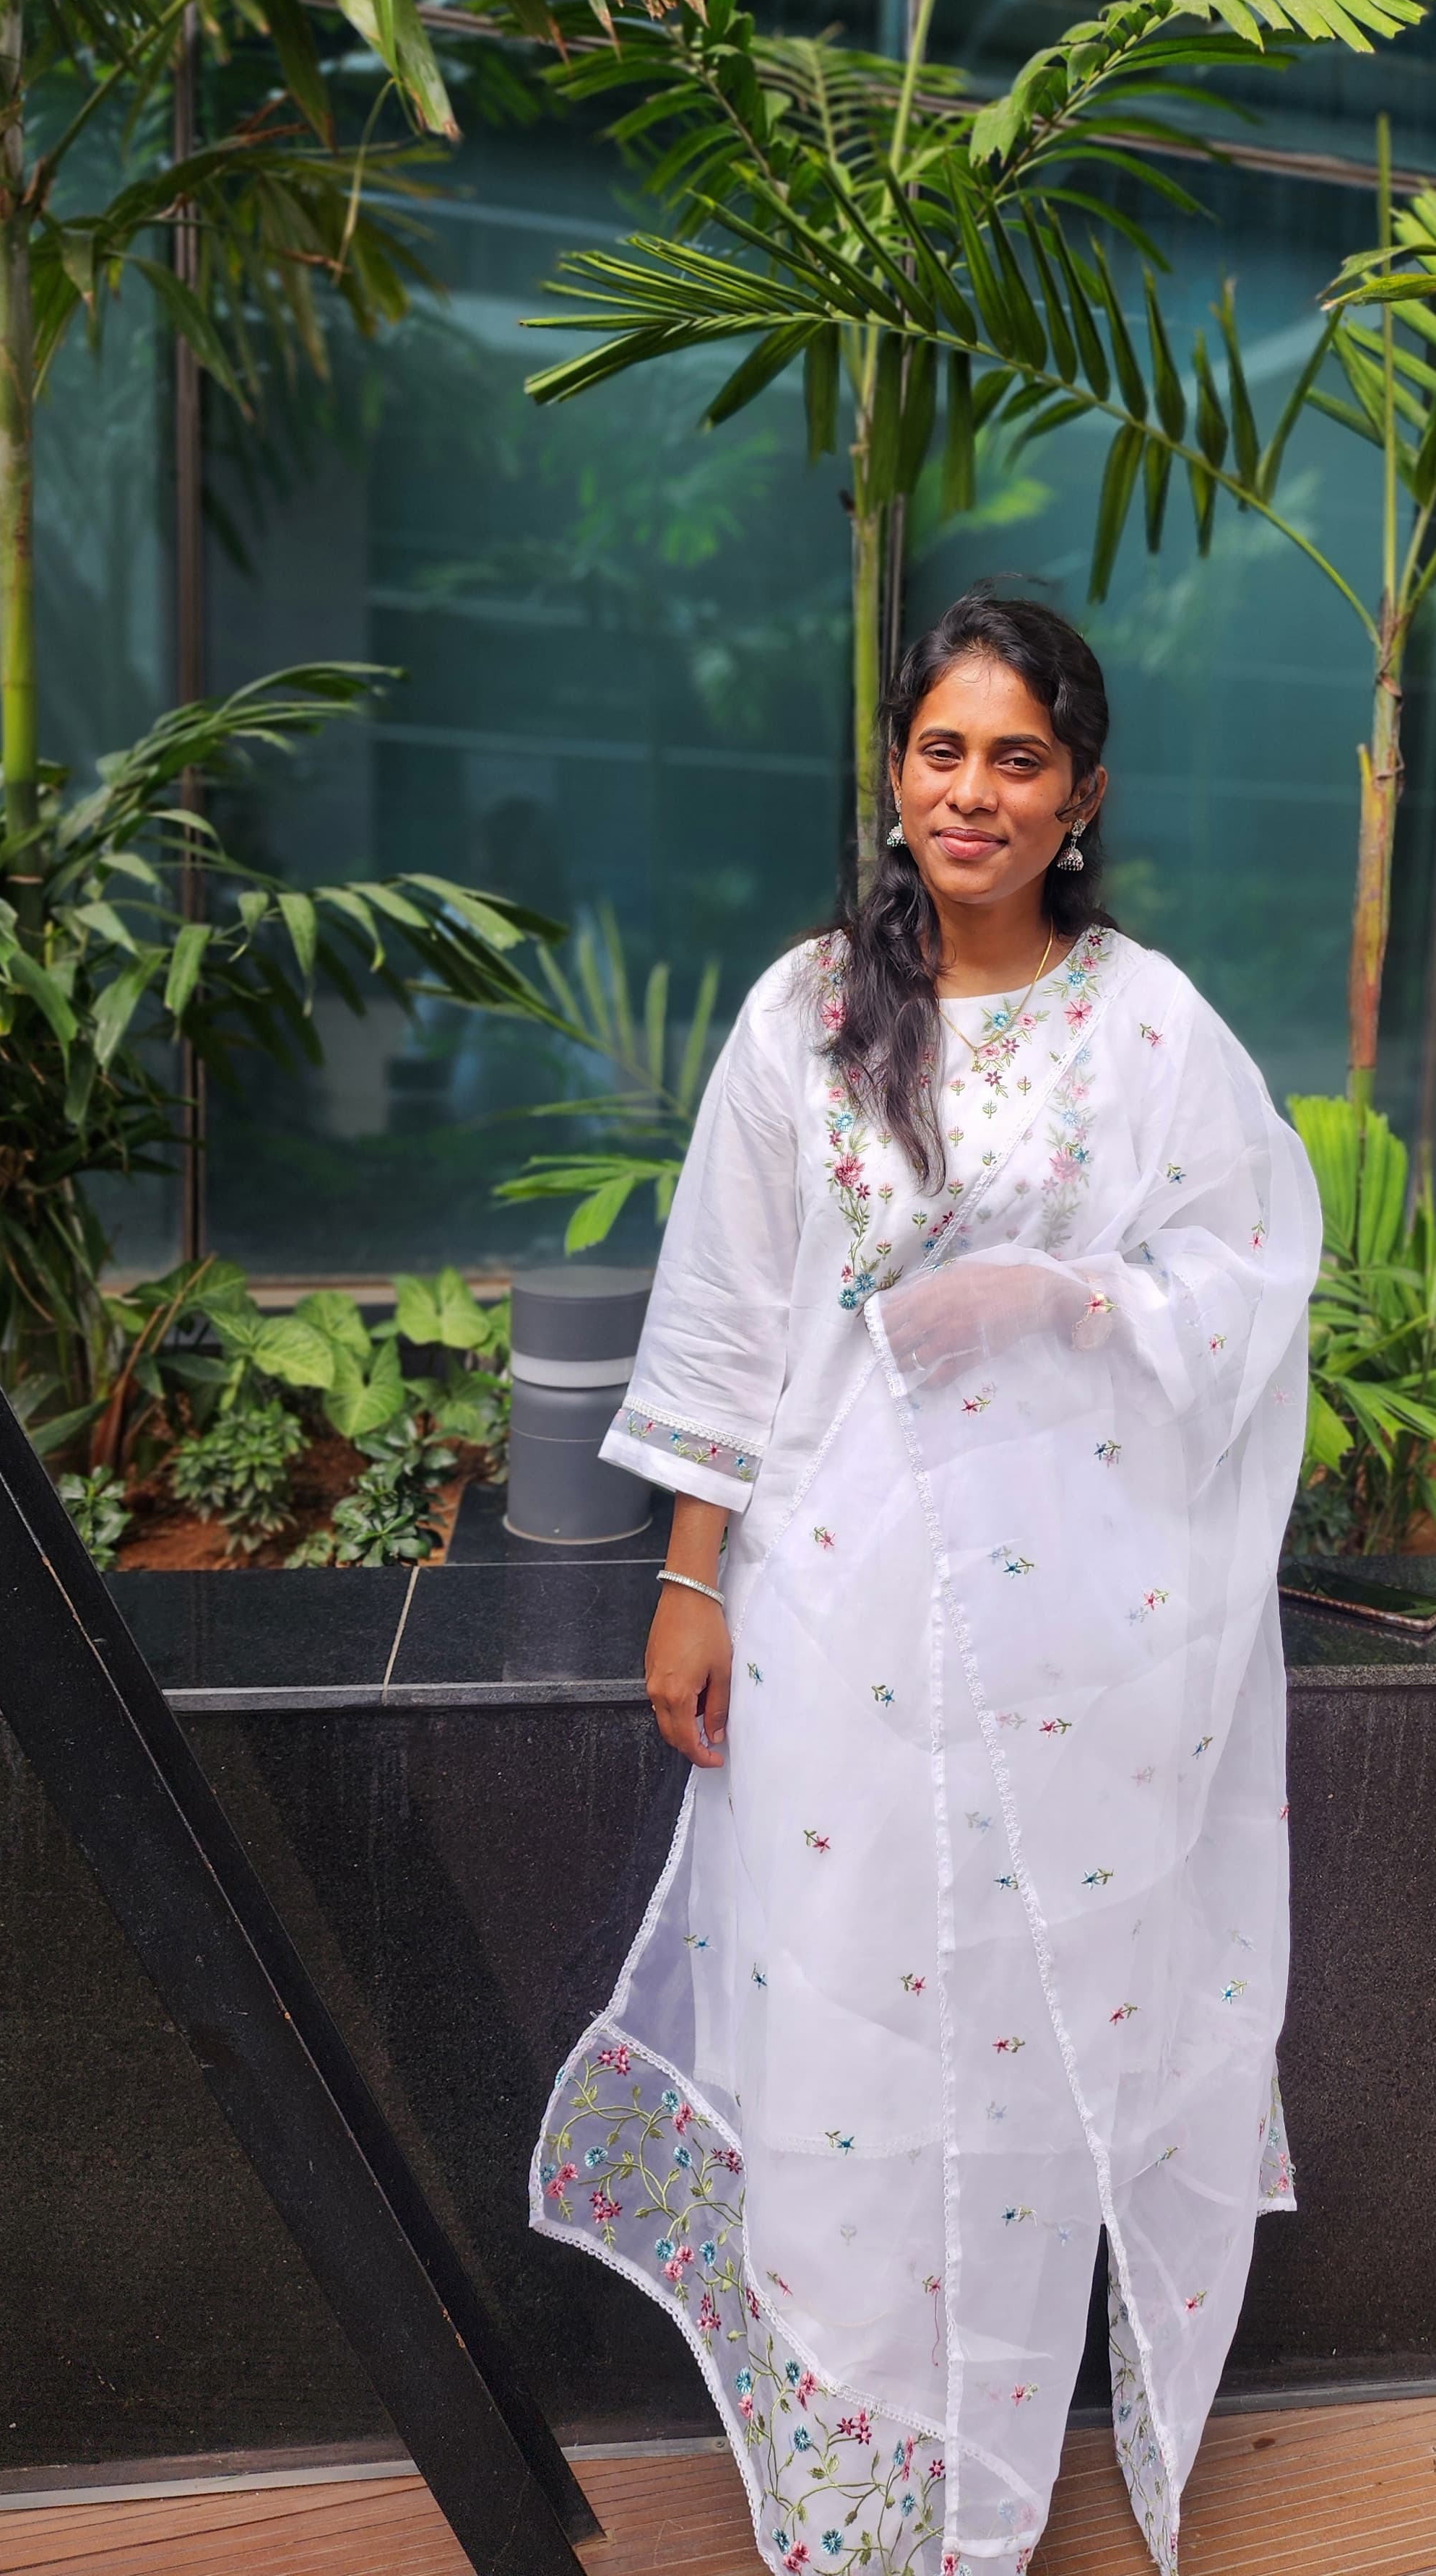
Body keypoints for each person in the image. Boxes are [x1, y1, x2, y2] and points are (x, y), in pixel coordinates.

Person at [532, 592, 1319, 2576]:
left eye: (1017, 759)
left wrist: (1067, 1296)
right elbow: (724, 1311)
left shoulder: (1148, 1024)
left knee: (1032, 2036)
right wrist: (692, 1577)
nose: (973, 792)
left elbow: (1253, 1274)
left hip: (1083, 1646)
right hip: (837, 1617)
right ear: (896, 773)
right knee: (851, 2026)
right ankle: (863, 2488)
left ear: (1082, 796)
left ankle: (987, 2485)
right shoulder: (806, 1013)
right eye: (941, 751)